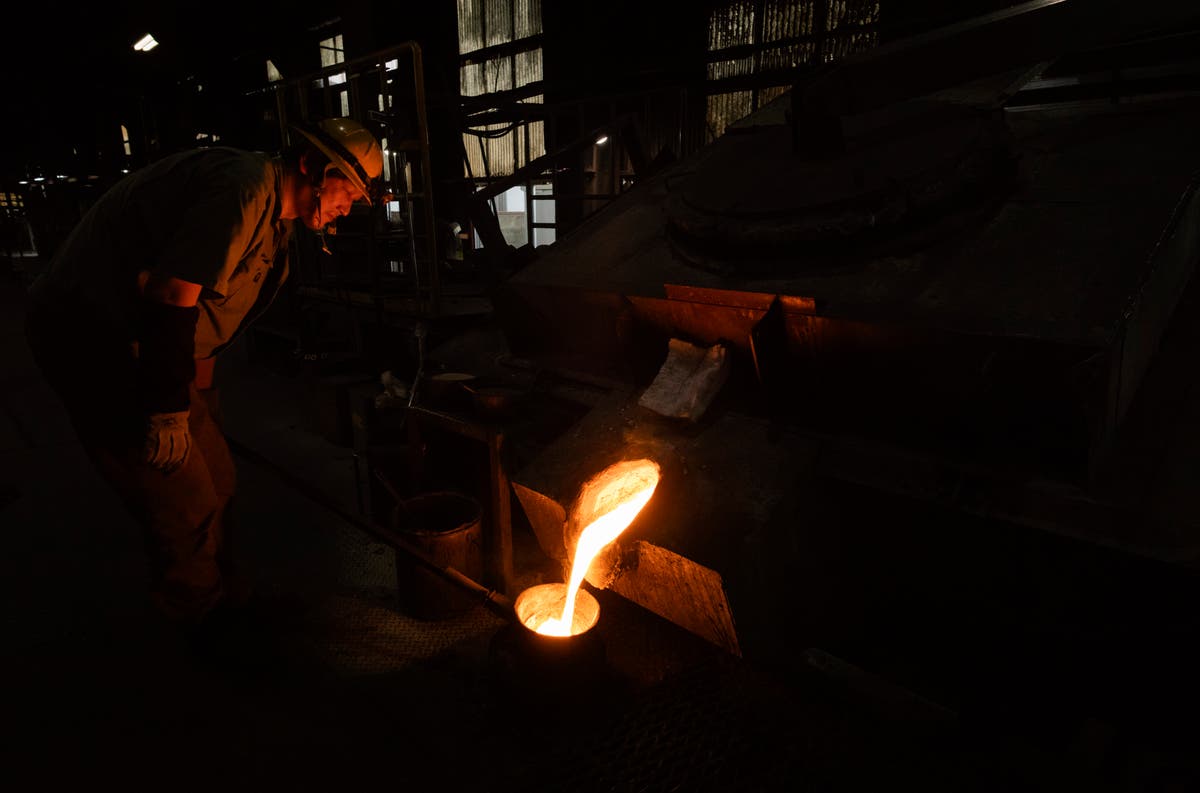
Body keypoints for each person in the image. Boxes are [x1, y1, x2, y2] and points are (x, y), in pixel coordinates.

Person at [23, 117, 384, 637]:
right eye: (346, 189)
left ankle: (230, 601)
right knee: (182, 497)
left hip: (154, 342)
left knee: (219, 478)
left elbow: (208, 326)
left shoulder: (276, 231)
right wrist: (169, 413)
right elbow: (172, 296)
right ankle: (200, 621)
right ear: (309, 165)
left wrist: (203, 409)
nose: (347, 206)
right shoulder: (241, 187)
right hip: (92, 335)